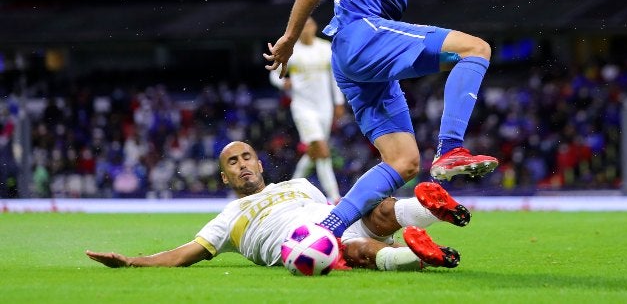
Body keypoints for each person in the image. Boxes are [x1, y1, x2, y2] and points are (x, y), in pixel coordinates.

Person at [264, 0, 540, 238]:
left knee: (403, 162)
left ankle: (325, 230)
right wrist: (291, 37)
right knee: (475, 48)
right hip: (361, 36)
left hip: (361, 64)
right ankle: (450, 149)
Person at [86, 141, 470, 271]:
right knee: (353, 251)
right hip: (309, 245)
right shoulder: (227, 218)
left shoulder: (300, 184)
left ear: (259, 163)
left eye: (247, 157)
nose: (243, 165)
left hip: (333, 219)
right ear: (224, 177)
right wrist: (134, 261)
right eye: (232, 163)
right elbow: (183, 254)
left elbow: (338, 206)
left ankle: (428, 211)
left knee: (379, 210)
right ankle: (420, 253)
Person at [269, 16, 345, 204]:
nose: (305, 29)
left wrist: (338, 102)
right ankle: (335, 197)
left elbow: (334, 78)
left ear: (314, 27)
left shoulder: (325, 48)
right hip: (303, 107)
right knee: (321, 148)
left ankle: (291, 191)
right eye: (301, 26)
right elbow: (274, 73)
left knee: (314, 153)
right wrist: (282, 82)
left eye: (308, 25)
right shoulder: (290, 50)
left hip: (324, 106)